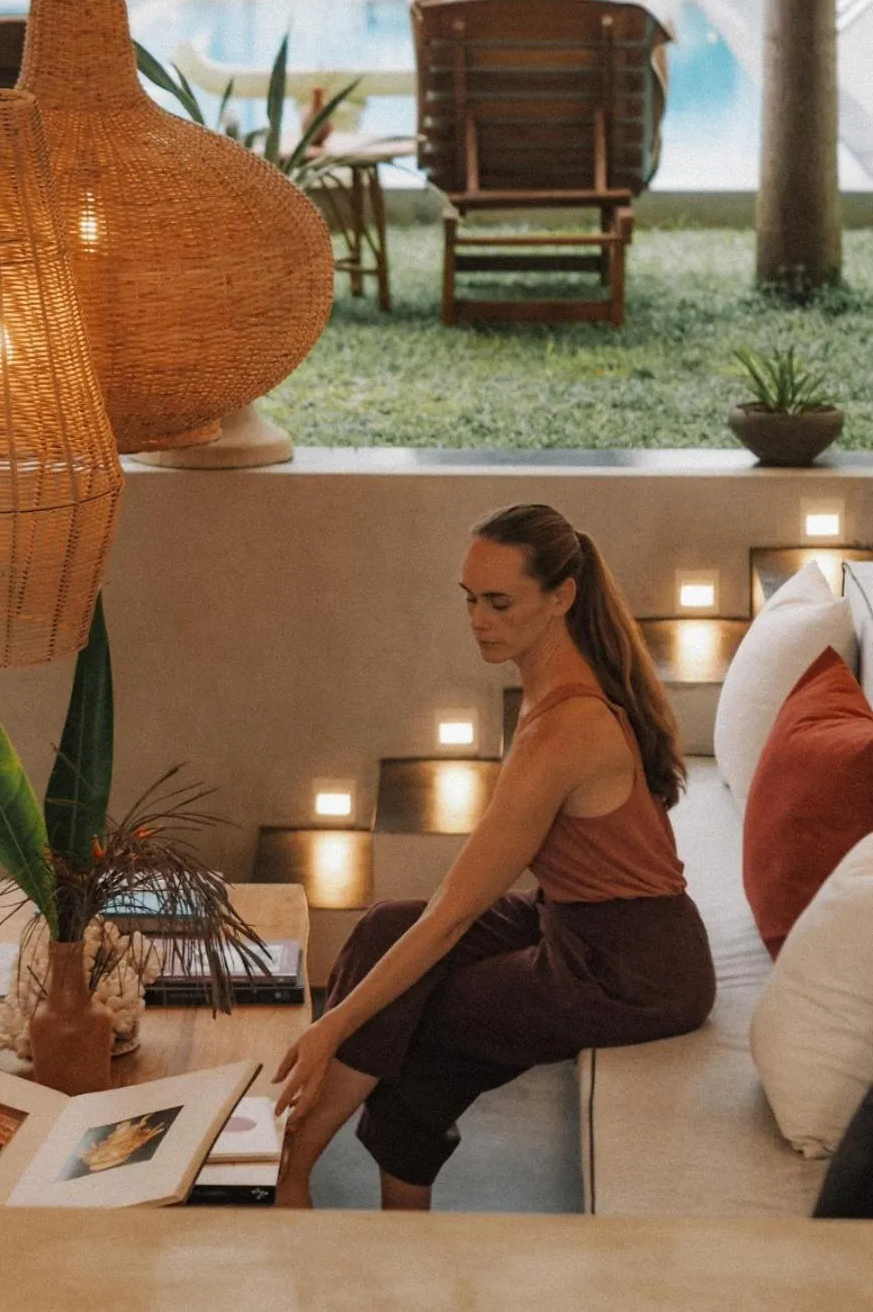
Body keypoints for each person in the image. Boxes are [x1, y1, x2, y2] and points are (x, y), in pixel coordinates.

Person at [271, 502, 716, 1210]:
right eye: (470, 599)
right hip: (573, 923)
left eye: (499, 602)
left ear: (561, 597)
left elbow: (453, 917)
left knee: (426, 1016)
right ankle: (296, 1163)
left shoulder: (567, 729)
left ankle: (311, 1179)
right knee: (388, 922)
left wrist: (330, 1027)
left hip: (633, 969)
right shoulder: (552, 688)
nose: (478, 618)